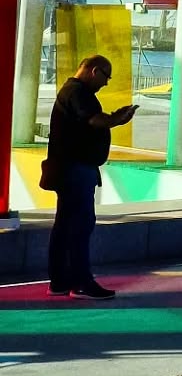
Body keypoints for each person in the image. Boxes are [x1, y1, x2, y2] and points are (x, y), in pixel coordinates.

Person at [46, 55, 136, 299]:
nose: (106, 83)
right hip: (76, 169)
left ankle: (60, 281)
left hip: (69, 169)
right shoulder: (78, 93)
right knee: (80, 225)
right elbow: (95, 121)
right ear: (94, 71)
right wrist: (118, 119)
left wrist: (114, 117)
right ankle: (82, 282)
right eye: (106, 76)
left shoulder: (70, 91)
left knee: (65, 225)